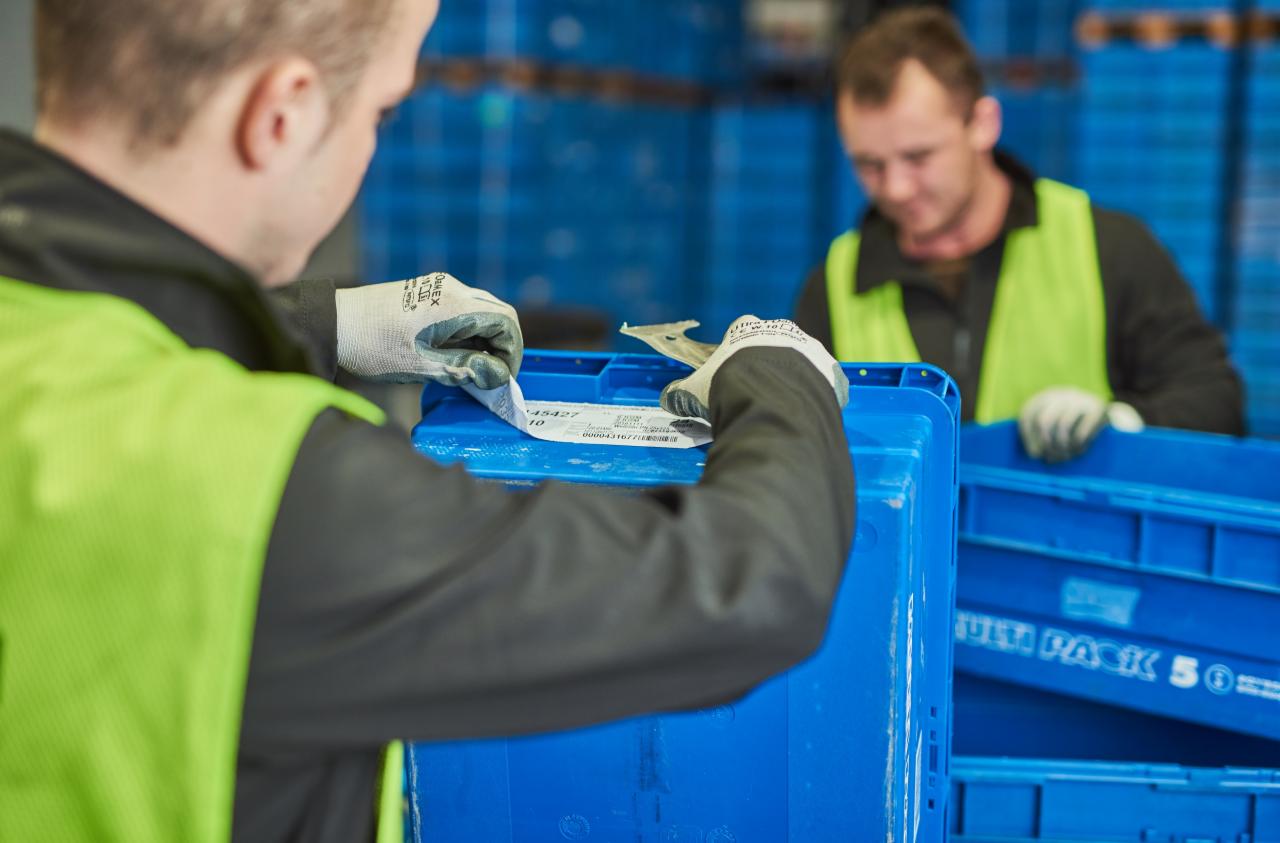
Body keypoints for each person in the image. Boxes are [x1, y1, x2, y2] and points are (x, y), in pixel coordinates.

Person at [0, 1, 855, 841]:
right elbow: (750, 587)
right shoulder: (268, 496)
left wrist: (329, 322)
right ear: (283, 115)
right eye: (381, 108)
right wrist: (779, 375)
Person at [794, 7, 1245, 462]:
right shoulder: (832, 287)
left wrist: (1122, 423)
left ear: (983, 124)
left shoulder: (1106, 248)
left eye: (918, 157)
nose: (895, 187)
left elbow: (1216, 400)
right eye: (869, 164)